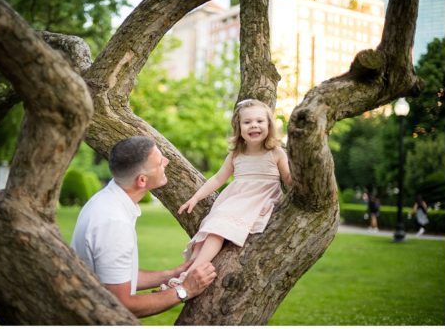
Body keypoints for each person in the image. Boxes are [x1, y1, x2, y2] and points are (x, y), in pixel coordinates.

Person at [72, 136, 217, 317]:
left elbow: (116, 277)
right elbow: (121, 304)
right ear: (142, 180)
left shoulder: (107, 201)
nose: (167, 161)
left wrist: (173, 273)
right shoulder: (113, 223)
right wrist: (185, 290)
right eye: (159, 162)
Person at [176, 99, 292, 278]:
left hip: (258, 200)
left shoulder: (275, 152)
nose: (254, 126)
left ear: (269, 124)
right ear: (239, 128)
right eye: (247, 122)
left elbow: (289, 179)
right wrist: (195, 198)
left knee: (217, 230)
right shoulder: (236, 154)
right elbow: (217, 179)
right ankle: (185, 272)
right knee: (208, 232)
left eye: (259, 121)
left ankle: (190, 275)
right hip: (235, 200)